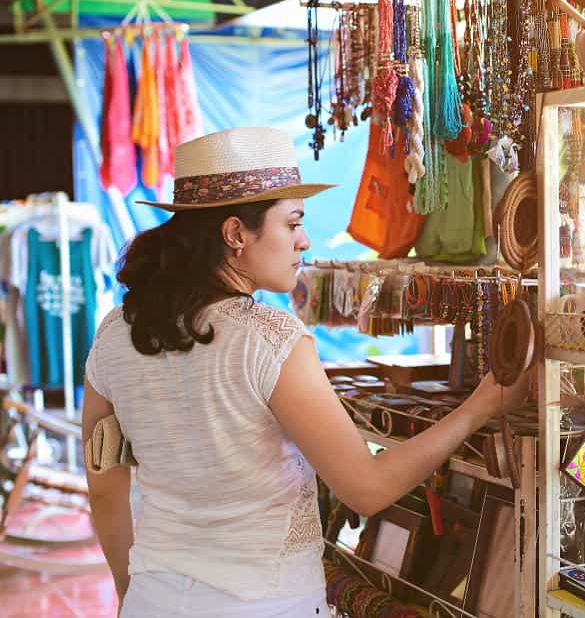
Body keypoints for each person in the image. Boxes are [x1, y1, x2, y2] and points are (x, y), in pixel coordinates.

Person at [82, 127, 530, 617]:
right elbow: (366, 488)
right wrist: (481, 405)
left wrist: (133, 591)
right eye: (292, 223)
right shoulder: (269, 341)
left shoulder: (113, 336)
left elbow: (105, 488)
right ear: (235, 234)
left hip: (153, 600)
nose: (304, 240)